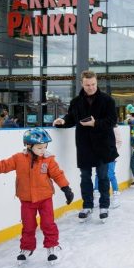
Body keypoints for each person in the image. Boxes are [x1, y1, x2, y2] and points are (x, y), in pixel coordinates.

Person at [0, 128, 74, 262]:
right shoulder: (18, 158)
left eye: (45, 147)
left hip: (45, 199)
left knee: (48, 224)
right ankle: (27, 248)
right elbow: (3, 166)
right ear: (29, 146)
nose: (43, 150)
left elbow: (57, 175)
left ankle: (51, 246)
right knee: (28, 226)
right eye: (40, 147)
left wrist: (66, 189)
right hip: (27, 200)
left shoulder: (48, 160)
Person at [53, 70, 118, 222]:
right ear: (82, 83)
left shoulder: (107, 100)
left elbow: (112, 121)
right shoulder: (76, 101)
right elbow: (71, 118)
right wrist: (62, 122)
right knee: (85, 177)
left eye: (93, 84)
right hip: (84, 146)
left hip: (103, 145)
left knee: (102, 176)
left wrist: (95, 123)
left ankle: (104, 206)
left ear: (97, 83)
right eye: (87, 84)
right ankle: (87, 206)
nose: (91, 87)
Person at [94, 124, 123, 208]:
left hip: (110, 155)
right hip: (99, 155)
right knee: (98, 175)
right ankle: (96, 196)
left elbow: (119, 141)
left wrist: (111, 151)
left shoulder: (114, 127)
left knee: (110, 174)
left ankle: (115, 196)